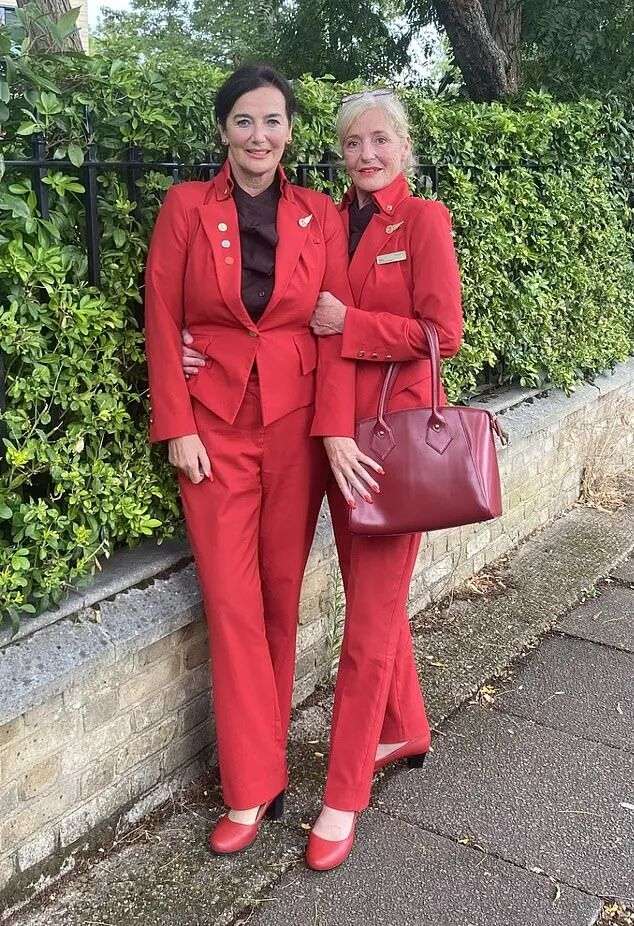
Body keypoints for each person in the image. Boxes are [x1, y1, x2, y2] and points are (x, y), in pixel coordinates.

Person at [181, 88, 463, 871]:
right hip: (335, 441)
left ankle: (342, 798)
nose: (366, 155)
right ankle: (406, 727)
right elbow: (295, 328)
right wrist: (196, 343)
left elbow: (444, 334)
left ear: (403, 145)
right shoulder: (332, 220)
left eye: (379, 141)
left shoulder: (424, 220)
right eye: (352, 144)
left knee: (369, 619)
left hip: (395, 448)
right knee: (377, 599)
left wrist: (353, 323)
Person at [144, 63, 367, 856]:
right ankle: (249, 787)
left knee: (279, 595)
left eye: (273, 121)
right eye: (244, 120)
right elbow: (160, 314)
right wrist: (177, 425)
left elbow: (334, 330)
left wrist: (333, 429)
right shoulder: (186, 208)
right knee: (231, 602)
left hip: (296, 426)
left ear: (290, 132)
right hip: (213, 429)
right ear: (223, 130)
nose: (259, 135)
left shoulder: (319, 215)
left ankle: (269, 770)